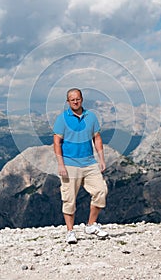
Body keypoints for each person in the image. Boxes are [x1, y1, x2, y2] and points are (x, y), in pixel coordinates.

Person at [53, 88, 108, 244]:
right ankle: (70, 232)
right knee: (69, 199)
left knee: (101, 191)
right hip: (70, 164)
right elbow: (56, 142)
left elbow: (97, 138)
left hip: (90, 163)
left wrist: (101, 159)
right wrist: (61, 164)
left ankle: (91, 225)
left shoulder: (91, 117)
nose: (75, 102)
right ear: (68, 102)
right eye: (72, 100)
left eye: (77, 99)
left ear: (82, 99)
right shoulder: (62, 119)